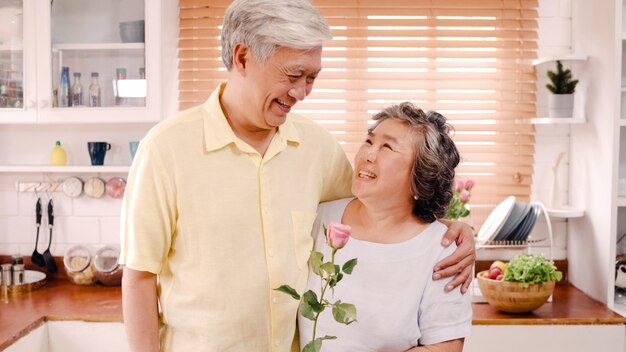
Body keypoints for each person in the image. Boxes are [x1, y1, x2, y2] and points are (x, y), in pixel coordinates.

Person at [119, 0, 475, 351]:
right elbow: (139, 278)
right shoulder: (166, 150)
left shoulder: (317, 148)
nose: (302, 92)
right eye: (293, 75)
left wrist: (450, 230)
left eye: (312, 78)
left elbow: (383, 204)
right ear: (243, 58)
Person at [298, 103, 472, 351]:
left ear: (420, 178)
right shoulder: (319, 217)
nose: (367, 154)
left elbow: (444, 348)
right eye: (369, 142)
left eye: (387, 147)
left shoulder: (443, 250)